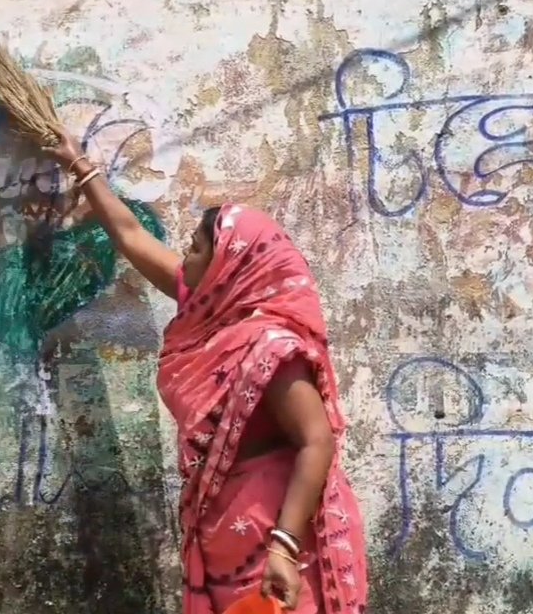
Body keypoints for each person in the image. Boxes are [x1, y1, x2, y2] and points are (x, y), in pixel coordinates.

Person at [42, 126, 368, 614]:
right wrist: (79, 165)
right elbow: (130, 234)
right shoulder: (212, 316)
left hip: (279, 542)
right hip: (226, 532)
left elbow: (316, 441)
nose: (185, 258)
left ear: (229, 268)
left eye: (195, 249)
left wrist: (284, 547)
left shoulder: (271, 347)